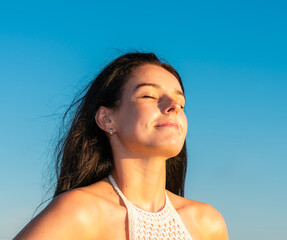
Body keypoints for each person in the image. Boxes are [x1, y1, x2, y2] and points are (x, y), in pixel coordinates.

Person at [14, 52, 228, 240]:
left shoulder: (207, 223)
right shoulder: (80, 212)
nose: (173, 106)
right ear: (107, 119)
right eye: (149, 95)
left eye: (181, 103)